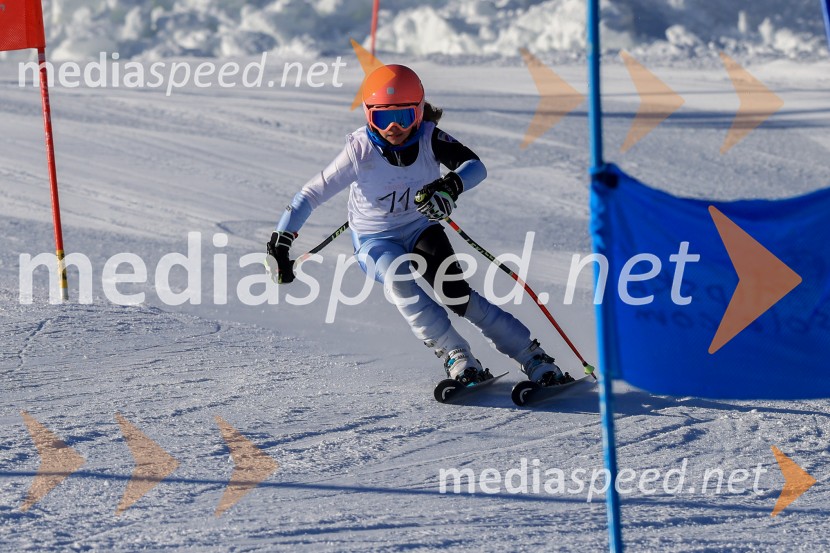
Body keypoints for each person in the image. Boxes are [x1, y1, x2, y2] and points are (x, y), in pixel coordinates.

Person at [266, 64, 573, 387]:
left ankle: (533, 357)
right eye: (383, 118)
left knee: (456, 294)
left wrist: (451, 185)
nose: (394, 127)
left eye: (405, 116)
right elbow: (311, 194)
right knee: (400, 281)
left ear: (420, 112)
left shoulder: (430, 137)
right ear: (369, 115)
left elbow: (475, 167)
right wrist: (281, 242)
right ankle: (457, 355)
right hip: (374, 240)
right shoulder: (359, 150)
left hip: (420, 229)